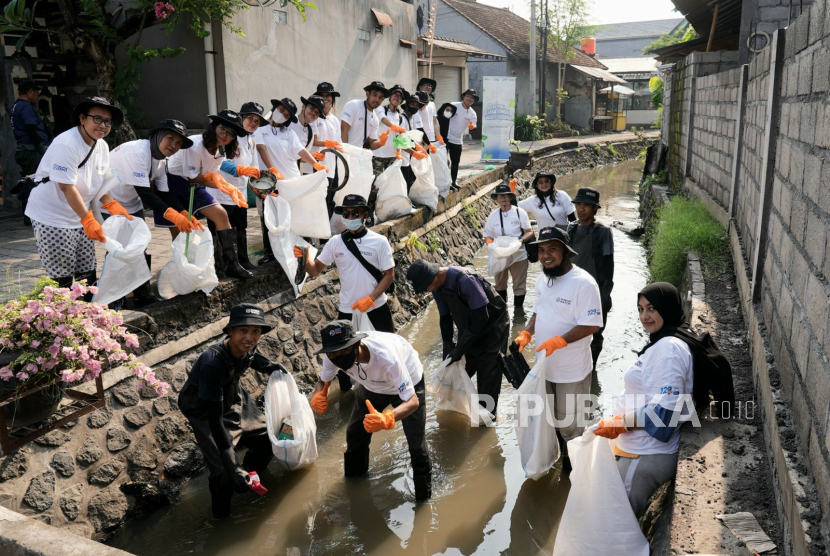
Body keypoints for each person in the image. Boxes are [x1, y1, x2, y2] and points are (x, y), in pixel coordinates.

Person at [592, 282, 733, 518]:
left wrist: (619, 424)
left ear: (667, 308)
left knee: (616, 522)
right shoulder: (668, 339)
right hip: (636, 448)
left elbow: (666, 412)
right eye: (640, 309)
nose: (644, 316)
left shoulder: (669, 348)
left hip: (644, 454)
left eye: (651, 308)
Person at [178, 303, 286, 518]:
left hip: (233, 397)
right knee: (223, 472)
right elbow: (216, 421)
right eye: (243, 330)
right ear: (230, 331)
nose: (250, 337)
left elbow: (253, 357)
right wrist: (232, 466)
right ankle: (221, 519)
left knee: (267, 439)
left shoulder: (247, 345)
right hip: (205, 410)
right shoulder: (212, 364)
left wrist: (270, 366)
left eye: (256, 331)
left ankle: (250, 476)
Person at [309, 320, 432, 500]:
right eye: (334, 352)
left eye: (345, 350)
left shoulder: (386, 357)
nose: (340, 356)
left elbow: (412, 402)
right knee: (355, 433)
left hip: (408, 384)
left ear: (357, 344)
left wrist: (387, 418)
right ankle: (355, 485)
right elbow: (323, 380)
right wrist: (320, 393)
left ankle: (424, 498)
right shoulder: (331, 356)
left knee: (416, 443)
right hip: (371, 387)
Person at [512, 227, 603, 467]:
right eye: (541, 250)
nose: (545, 255)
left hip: (571, 371)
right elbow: (538, 311)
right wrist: (526, 333)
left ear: (566, 252)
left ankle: (575, 475)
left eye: (552, 249)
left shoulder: (584, 284)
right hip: (544, 368)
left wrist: (560, 340)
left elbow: (592, 324)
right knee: (548, 422)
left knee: (570, 427)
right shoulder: (543, 279)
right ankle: (559, 464)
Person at [24, 96, 126, 291]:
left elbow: (102, 181)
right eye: (97, 118)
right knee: (62, 275)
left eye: (107, 121)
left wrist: (112, 205)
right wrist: (88, 219)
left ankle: (90, 316)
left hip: (79, 215)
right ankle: (64, 317)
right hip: (52, 215)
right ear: (82, 119)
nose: (102, 125)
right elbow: (66, 187)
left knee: (87, 271)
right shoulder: (68, 143)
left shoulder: (101, 145)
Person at [295, 194, 395, 388]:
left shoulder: (379, 241)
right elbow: (315, 271)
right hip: (347, 309)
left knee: (388, 349)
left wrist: (371, 298)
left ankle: (392, 388)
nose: (350, 217)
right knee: (342, 357)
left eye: (355, 213)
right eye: (346, 214)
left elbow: (389, 274)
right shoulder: (335, 243)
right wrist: (305, 257)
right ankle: (345, 394)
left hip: (376, 307)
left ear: (365, 214)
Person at [102, 119, 197, 308]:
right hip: (109, 201)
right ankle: (114, 297)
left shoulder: (161, 160)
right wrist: (173, 216)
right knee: (118, 248)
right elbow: (145, 192)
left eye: (178, 143)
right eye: (170, 138)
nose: (174, 145)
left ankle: (142, 293)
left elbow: (163, 193)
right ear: (157, 136)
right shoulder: (138, 152)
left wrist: (183, 212)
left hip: (131, 202)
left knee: (139, 245)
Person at [406, 259, 509, 416]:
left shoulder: (465, 280)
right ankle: (458, 411)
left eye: (425, 287)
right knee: (459, 371)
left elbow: (482, 317)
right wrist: (448, 345)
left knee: (488, 373)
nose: (426, 291)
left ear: (434, 276)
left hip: (493, 329)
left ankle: (487, 419)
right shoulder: (437, 288)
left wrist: (459, 348)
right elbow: (445, 317)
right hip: (469, 328)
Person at [158, 109, 253, 279]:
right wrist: (220, 184)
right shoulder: (195, 145)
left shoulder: (219, 152)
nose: (225, 135)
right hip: (173, 184)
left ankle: (231, 263)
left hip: (193, 184)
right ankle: (185, 273)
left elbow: (210, 177)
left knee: (221, 214)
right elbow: (195, 177)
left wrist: (226, 187)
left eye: (230, 134)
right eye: (223, 129)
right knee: (181, 232)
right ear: (214, 127)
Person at [214, 102, 266, 272]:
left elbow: (254, 169)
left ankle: (242, 261)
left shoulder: (251, 140)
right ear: (242, 118)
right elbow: (220, 162)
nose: (253, 122)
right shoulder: (229, 136)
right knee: (221, 229)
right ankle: (221, 266)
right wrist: (238, 170)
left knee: (241, 227)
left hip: (240, 193)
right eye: (250, 118)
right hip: (222, 192)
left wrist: (260, 189)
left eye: (257, 121)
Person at [567, 187, 614, 368]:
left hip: (595, 292)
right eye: (579, 204)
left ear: (595, 209)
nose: (581, 209)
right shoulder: (570, 229)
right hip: (572, 291)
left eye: (586, 205)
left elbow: (608, 267)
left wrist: (604, 295)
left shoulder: (603, 232)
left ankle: (590, 368)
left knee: (595, 334)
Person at [484, 183, 534, 311]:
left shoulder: (519, 212)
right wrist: (491, 246)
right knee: (500, 285)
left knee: (519, 285)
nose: (503, 199)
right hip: (499, 255)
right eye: (500, 196)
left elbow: (529, 231)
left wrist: (520, 240)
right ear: (496, 199)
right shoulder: (493, 216)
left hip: (519, 254)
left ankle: (518, 312)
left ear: (510, 197)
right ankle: (503, 311)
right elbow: (488, 236)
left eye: (506, 196)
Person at [256, 98, 327, 182]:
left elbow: (301, 150)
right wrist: (272, 170)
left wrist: (315, 164)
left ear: (288, 119)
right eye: (281, 110)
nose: (282, 114)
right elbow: (261, 149)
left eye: (286, 115)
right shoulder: (259, 129)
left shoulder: (289, 133)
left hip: (292, 179)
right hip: (270, 180)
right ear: (275, 107)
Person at [11, 80, 52, 224]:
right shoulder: (26, 107)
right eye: (36, 93)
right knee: (37, 183)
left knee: (30, 181)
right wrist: (41, 149)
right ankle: (32, 216)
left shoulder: (16, 106)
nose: (37, 97)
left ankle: (29, 216)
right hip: (31, 150)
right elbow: (30, 129)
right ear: (30, 92)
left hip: (25, 150)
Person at [310, 82, 344, 215]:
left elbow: (339, 144)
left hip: (330, 167)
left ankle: (325, 233)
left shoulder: (335, 120)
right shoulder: (314, 117)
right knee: (316, 201)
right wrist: (327, 144)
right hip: (314, 165)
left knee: (328, 201)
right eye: (322, 95)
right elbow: (313, 140)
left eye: (328, 95)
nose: (326, 98)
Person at [372, 84, 409, 175]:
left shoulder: (400, 118)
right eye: (395, 95)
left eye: (400, 97)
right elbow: (383, 119)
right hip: (378, 154)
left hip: (392, 157)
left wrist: (399, 152)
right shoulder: (380, 109)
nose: (397, 98)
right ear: (390, 97)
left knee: (390, 185)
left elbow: (399, 138)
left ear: (401, 101)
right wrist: (394, 127)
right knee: (376, 185)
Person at [446, 89, 478, 189]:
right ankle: (444, 182)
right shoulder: (454, 105)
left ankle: (453, 181)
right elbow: (444, 116)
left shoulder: (472, 113)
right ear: (463, 97)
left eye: (472, 97)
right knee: (443, 161)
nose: (469, 99)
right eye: (468, 96)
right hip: (446, 137)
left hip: (457, 139)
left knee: (455, 161)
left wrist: (472, 127)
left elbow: (473, 125)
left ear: (474, 101)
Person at [340, 81, 387, 150]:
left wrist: (381, 143)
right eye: (374, 95)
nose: (377, 99)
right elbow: (343, 130)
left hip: (358, 156)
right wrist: (345, 152)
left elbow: (372, 143)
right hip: (343, 153)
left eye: (380, 97)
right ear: (367, 94)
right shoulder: (354, 105)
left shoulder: (375, 119)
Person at [288, 95, 326, 174]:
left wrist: (314, 156)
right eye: (311, 108)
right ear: (303, 106)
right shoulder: (289, 121)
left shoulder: (310, 132)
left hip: (292, 172)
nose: (313, 113)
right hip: (275, 168)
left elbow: (301, 158)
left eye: (317, 112)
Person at [400, 91, 429, 190]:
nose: (415, 107)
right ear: (407, 105)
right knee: (403, 181)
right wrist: (414, 152)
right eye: (412, 104)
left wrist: (418, 147)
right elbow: (401, 140)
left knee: (408, 180)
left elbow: (412, 136)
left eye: (417, 105)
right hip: (401, 156)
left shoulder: (411, 118)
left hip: (407, 155)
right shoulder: (402, 119)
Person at [415, 77, 440, 146]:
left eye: (430, 86)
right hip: (419, 138)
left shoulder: (432, 104)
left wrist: (438, 136)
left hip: (430, 138)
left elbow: (434, 121)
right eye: (426, 85)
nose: (428, 87)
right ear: (420, 87)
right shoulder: (415, 102)